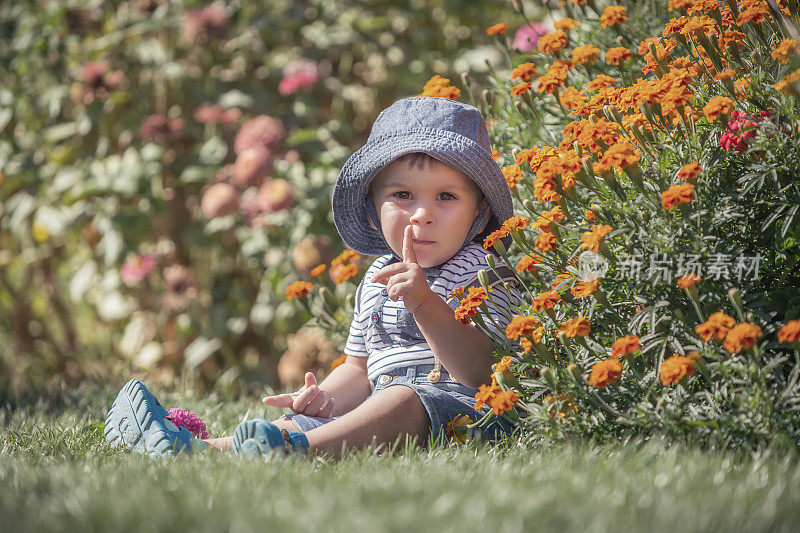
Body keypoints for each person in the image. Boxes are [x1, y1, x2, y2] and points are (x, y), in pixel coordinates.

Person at [105, 96, 522, 458]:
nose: (422, 213)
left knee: (406, 398)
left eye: (446, 196)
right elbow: (359, 368)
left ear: (479, 212)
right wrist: (325, 397)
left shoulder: (483, 270)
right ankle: (207, 450)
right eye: (402, 195)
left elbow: (480, 372)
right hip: (377, 412)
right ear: (371, 212)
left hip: (462, 413)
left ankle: (294, 453)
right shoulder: (377, 275)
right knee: (309, 420)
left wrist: (424, 303)